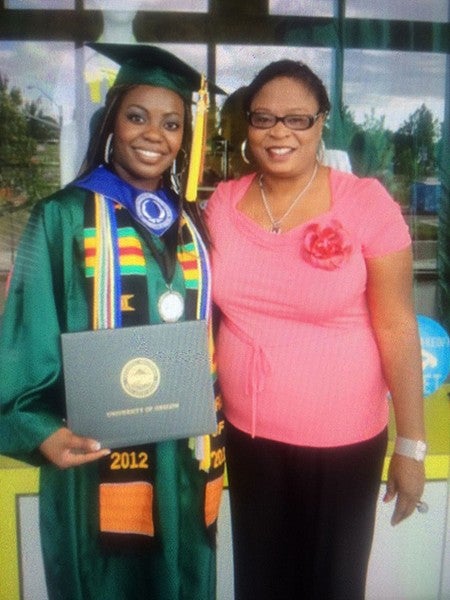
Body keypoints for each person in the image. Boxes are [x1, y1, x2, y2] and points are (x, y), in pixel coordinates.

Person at [0, 43, 225, 600]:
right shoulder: (60, 217)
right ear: (110, 124)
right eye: (137, 117)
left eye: (172, 123)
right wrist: (38, 430)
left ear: (184, 139)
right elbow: (25, 335)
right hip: (95, 457)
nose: (155, 135)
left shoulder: (192, 222)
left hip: (182, 455)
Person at [205, 59, 426, 600]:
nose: (279, 131)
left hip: (343, 443)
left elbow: (397, 327)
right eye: (263, 118)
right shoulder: (222, 204)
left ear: (322, 122)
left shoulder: (365, 203)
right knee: (259, 580)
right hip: (247, 435)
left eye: (297, 119)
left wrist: (412, 446)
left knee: (330, 584)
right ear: (247, 127)